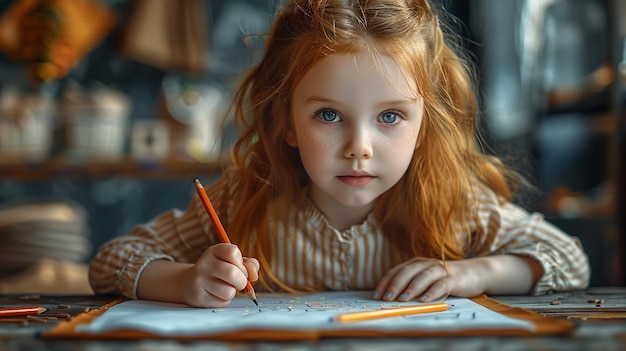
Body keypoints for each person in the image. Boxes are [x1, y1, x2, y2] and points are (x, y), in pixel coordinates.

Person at [89, 0, 590, 308]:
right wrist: (186, 283)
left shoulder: (454, 204)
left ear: (423, 126)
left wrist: (469, 273)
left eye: (390, 117)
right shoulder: (246, 199)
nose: (358, 148)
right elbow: (112, 261)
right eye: (328, 115)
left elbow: (569, 261)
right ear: (285, 121)